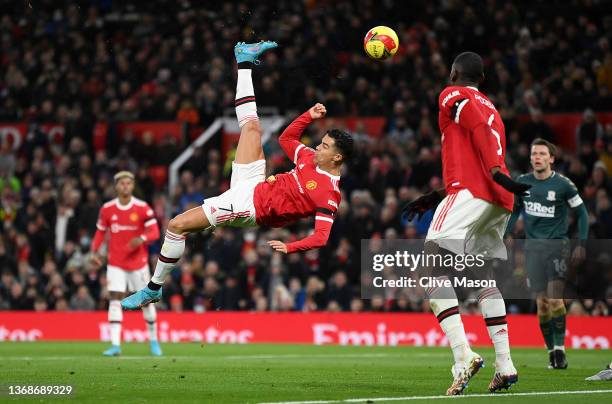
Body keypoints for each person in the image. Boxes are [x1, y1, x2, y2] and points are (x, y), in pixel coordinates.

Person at [121, 41, 353, 310]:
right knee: (252, 128)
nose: (317, 147)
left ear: (337, 157)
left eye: (324, 146)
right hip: (254, 184)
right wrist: (308, 116)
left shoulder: (329, 192)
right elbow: (286, 138)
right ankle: (244, 62)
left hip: (250, 208)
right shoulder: (310, 158)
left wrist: (290, 248)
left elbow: (321, 237)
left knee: (175, 225)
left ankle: (153, 288)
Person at [402, 52, 530, 395]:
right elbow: (479, 140)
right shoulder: (492, 108)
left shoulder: (451, 94)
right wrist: (435, 195)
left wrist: (496, 171)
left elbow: (473, 124)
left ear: (453, 73)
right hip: (498, 200)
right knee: (481, 276)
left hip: (476, 191)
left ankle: (464, 356)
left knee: (429, 270)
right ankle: (505, 365)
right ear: (483, 79)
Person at [505, 138, 588, 369]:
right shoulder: (522, 182)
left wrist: (581, 243)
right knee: (542, 304)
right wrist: (507, 232)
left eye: (542, 153)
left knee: (553, 299)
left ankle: (560, 350)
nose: (537, 157)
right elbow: (514, 211)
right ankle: (551, 351)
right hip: (532, 250)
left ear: (551, 158)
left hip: (557, 247)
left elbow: (581, 214)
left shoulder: (563, 185)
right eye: (534, 154)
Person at [91, 171, 161, 356]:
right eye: (122, 183)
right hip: (115, 263)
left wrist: (142, 238)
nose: (125, 186)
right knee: (114, 299)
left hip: (139, 264)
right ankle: (115, 345)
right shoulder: (107, 209)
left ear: (133, 185)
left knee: (147, 302)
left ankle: (153, 341)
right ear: (116, 186)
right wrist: (94, 252)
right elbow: (100, 232)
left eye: (129, 183)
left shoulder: (142, 207)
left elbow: (155, 231)